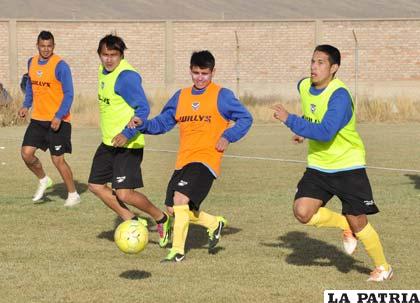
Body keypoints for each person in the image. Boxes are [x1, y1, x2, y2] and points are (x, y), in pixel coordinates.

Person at [272, 44, 392, 282]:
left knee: (360, 222)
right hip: (318, 165)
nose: (314, 67)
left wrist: (291, 120)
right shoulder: (304, 85)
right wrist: (304, 130)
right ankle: (343, 225)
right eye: (312, 61)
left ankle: (383, 267)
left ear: (334, 68)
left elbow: (327, 131)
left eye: (321, 63)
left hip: (348, 166)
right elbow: (313, 113)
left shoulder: (340, 96)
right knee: (302, 212)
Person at [127, 50, 253, 262]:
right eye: (196, 73)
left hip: (206, 159)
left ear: (213, 72)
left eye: (205, 73)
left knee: (180, 199)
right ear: (190, 71)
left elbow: (246, 118)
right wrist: (144, 125)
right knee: (173, 208)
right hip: (183, 159)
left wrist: (228, 136)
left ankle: (177, 251)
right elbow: (163, 122)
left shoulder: (222, 95)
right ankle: (214, 223)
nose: (200, 78)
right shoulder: (181, 96)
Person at [87, 34, 170, 248]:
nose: (108, 59)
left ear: (121, 55)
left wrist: (127, 133)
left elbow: (143, 109)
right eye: (105, 54)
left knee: (124, 193)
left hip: (128, 144)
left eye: (113, 55)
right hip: (109, 143)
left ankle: (161, 218)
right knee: (96, 186)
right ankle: (131, 220)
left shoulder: (126, 77)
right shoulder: (102, 71)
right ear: (99, 55)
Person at [18, 31, 81, 206]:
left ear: (54, 46)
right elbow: (31, 87)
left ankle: (73, 194)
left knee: (57, 159)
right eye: (42, 46)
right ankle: (44, 179)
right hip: (38, 119)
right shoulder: (31, 62)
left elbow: (69, 94)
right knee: (26, 154)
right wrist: (26, 105)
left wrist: (59, 116)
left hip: (58, 120)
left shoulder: (61, 66)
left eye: (49, 46)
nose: (46, 49)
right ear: (37, 45)